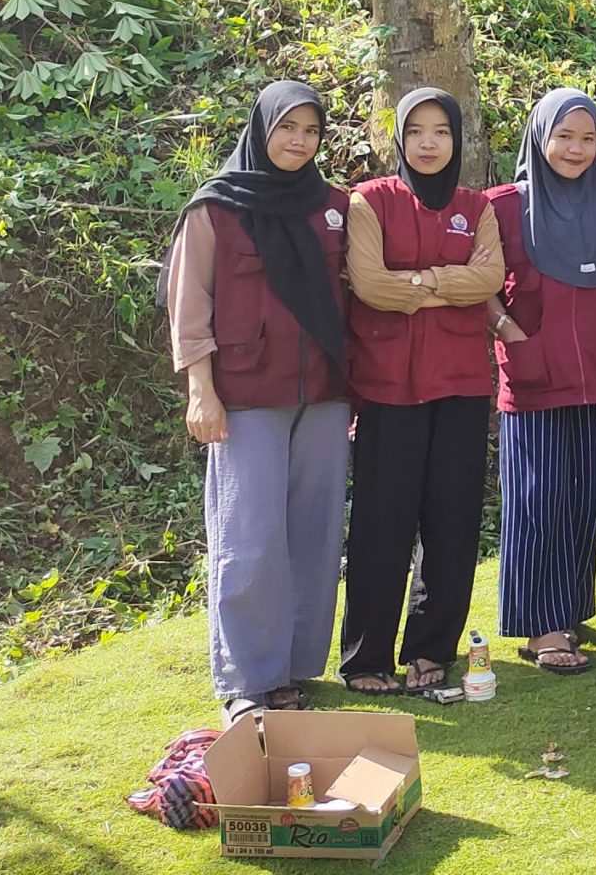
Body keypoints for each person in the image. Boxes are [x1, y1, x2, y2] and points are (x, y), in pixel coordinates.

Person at [160, 80, 351, 721]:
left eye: (311, 130)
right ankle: (247, 681)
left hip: (325, 394)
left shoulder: (333, 206)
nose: (299, 141)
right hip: (245, 397)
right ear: (261, 129)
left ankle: (292, 670)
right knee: (249, 539)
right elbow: (189, 306)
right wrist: (201, 391)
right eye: (286, 127)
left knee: (315, 536)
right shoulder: (216, 208)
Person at [338, 87, 504, 696]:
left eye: (441, 132)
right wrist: (447, 286)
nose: (428, 143)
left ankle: (432, 649)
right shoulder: (370, 201)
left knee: (452, 522)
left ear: (457, 140)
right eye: (415, 132)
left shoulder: (476, 206)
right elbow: (370, 285)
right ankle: (366, 658)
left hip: (459, 385)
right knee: (380, 522)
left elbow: (491, 276)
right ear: (399, 139)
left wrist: (417, 283)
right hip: (387, 387)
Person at [487, 89, 596, 675]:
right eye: (564, 137)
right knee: (536, 497)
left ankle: (569, 610)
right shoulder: (503, 207)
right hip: (534, 373)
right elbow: (480, 281)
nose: (576, 150)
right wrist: (507, 331)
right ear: (539, 138)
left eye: (588, 139)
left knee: (581, 496)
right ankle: (540, 626)